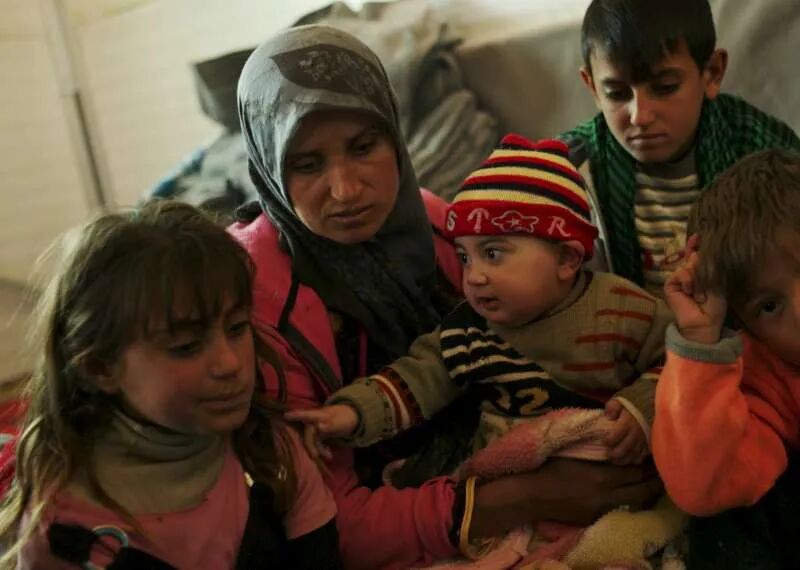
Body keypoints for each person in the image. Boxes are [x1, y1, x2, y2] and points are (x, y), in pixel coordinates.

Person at [230, 25, 663, 570]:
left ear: (394, 135)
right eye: (306, 163)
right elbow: (324, 528)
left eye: (363, 147)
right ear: (268, 163)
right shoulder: (257, 306)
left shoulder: (440, 230)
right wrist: (528, 496)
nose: (345, 190)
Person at [289, 135, 670, 466]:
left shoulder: (621, 307)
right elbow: (416, 379)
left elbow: (681, 360)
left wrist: (642, 404)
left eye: (493, 254)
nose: (473, 276)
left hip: (609, 471)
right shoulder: (468, 331)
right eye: (465, 257)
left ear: (567, 259)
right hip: (511, 481)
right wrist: (350, 413)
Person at [0, 201, 339, 569]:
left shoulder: (272, 454)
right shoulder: (67, 532)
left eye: (237, 328)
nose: (230, 364)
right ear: (100, 367)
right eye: (186, 346)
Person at [560, 0, 800, 296]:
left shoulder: (758, 145)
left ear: (711, 73)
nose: (640, 116)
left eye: (665, 87)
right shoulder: (571, 165)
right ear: (592, 87)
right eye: (617, 93)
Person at [652, 149, 800, 568]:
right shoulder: (766, 373)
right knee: (726, 526)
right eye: (769, 306)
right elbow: (704, 486)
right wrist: (700, 340)